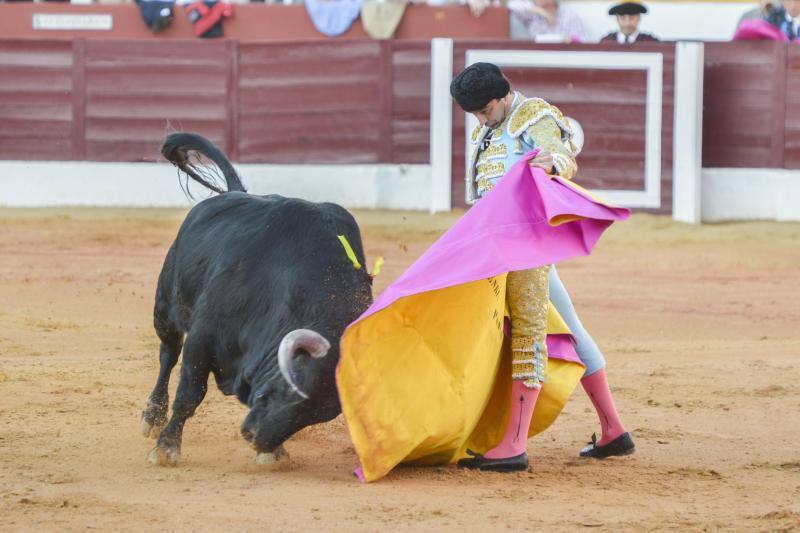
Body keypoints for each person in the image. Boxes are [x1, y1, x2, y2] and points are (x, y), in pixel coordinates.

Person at [450, 62, 635, 471]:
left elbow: (562, 155)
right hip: (498, 248)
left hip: (525, 247)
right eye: (475, 114)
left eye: (485, 111)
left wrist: (553, 163)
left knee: (528, 333)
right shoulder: (487, 130)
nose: (480, 120)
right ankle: (613, 431)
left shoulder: (533, 114)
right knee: (570, 329)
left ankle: (513, 444)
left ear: (502, 96)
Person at [508, 0, 587, 42]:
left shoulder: (569, 16)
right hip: (537, 58)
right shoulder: (531, 15)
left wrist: (569, 40)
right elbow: (510, 6)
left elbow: (583, 40)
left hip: (562, 59)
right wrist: (542, 12)